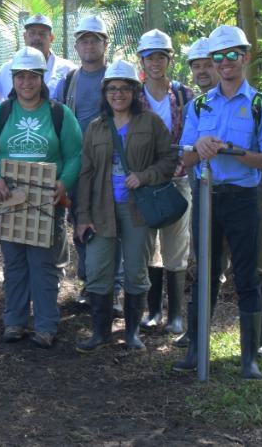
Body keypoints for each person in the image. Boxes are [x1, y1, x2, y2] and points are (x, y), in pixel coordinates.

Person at [173, 25, 262, 379]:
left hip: (244, 199)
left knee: (247, 276)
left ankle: (248, 356)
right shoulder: (199, 105)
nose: (224, 63)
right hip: (207, 197)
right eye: (217, 57)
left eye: (231, 55)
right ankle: (195, 349)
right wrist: (199, 146)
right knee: (203, 274)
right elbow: (186, 158)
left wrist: (232, 151)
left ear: (245, 57)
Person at [0, 47, 83, 349]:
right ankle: (14, 322)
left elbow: (75, 155)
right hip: (9, 199)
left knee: (44, 263)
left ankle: (46, 325)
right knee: (14, 262)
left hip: (46, 200)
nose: (27, 82)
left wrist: (64, 183)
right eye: (21, 76)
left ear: (42, 78)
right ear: (13, 79)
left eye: (33, 76)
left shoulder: (58, 114)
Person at [74, 59, 177, 353]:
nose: (118, 94)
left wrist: (145, 176)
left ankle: (132, 333)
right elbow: (86, 173)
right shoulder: (95, 127)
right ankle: (100, 332)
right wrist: (83, 215)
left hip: (138, 209)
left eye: (124, 89)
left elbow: (169, 161)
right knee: (97, 269)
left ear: (135, 90)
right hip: (101, 210)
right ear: (105, 92)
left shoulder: (151, 122)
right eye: (112, 89)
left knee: (135, 271)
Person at [136, 30, 195, 336]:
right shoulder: (134, 95)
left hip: (178, 180)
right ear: (142, 60)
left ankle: (175, 315)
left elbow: (193, 134)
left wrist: (180, 166)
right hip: (144, 183)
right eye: (150, 57)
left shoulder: (185, 95)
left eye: (161, 56)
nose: (156, 62)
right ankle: (153, 310)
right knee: (148, 247)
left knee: (175, 246)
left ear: (170, 60)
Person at [59, 15, 114, 313]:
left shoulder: (116, 77)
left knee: (111, 223)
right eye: (84, 41)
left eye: (95, 40)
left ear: (105, 44)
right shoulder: (69, 80)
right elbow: (58, 120)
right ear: (76, 46)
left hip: (112, 165)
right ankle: (89, 284)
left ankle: (113, 289)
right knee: (81, 222)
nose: (89, 46)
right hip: (79, 166)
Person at [173, 36, 215, 350]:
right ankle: (196, 331)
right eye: (196, 65)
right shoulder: (192, 106)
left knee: (256, 267)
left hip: (240, 193)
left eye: (208, 64)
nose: (202, 71)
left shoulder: (250, 103)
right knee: (203, 260)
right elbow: (186, 154)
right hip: (202, 191)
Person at [0, 14, 77, 100]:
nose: (37, 38)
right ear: (24, 36)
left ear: (52, 38)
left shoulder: (68, 69)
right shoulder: (6, 69)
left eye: (42, 34)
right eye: (32, 33)